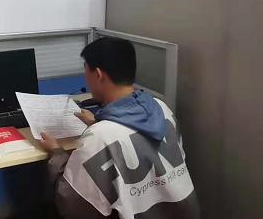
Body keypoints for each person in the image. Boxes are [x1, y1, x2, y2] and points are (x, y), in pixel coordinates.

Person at [39, 37, 200, 219]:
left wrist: (56, 152)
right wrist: (99, 122)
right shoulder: (163, 109)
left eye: (85, 70)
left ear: (98, 74)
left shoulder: (100, 137)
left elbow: (71, 204)